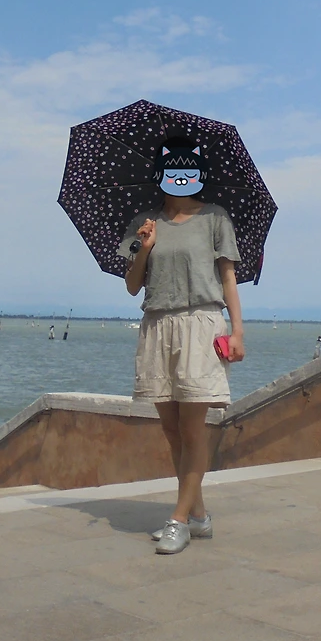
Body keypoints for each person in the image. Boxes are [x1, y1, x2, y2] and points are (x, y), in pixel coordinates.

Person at [121, 134, 244, 555]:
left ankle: (178, 520)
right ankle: (199, 515)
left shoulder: (214, 218)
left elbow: (228, 277)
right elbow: (133, 286)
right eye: (172, 169)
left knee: (193, 432)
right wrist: (145, 247)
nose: (181, 176)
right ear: (160, 174)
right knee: (172, 432)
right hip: (157, 324)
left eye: (187, 169)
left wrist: (237, 332)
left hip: (201, 324)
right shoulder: (145, 222)